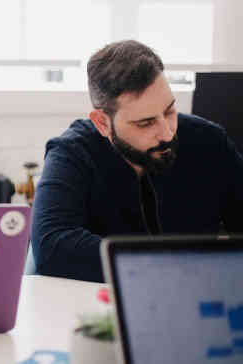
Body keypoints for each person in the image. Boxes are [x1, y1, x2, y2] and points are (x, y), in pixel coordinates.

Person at [31, 40, 243, 282]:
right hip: (104, 307)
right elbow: (52, 246)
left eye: (169, 111)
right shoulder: (72, 152)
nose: (167, 133)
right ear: (102, 122)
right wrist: (170, 264)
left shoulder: (210, 141)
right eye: (146, 123)